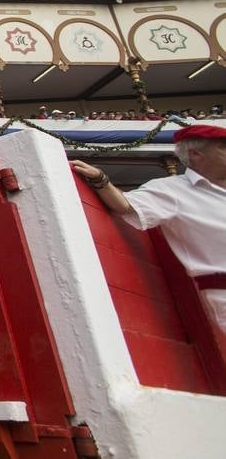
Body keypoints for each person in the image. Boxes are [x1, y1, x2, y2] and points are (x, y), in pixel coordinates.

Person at [71, 123, 226, 331]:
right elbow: (125, 206)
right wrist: (101, 180)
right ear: (196, 154)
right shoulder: (172, 191)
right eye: (223, 146)